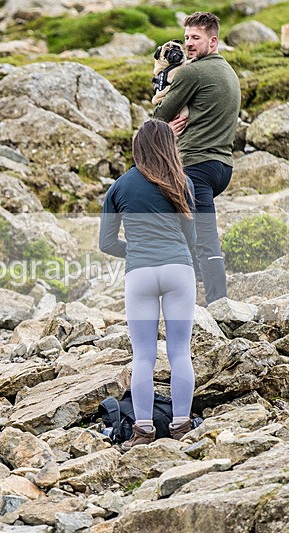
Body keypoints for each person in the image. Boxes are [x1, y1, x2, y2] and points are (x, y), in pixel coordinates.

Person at [99, 120, 197, 451]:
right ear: (170, 146)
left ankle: (142, 431)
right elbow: (191, 238)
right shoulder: (182, 182)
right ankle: (182, 425)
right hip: (178, 270)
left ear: (137, 148)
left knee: (143, 355)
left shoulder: (120, 186)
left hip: (139, 274)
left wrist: (138, 251)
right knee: (180, 350)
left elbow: (106, 242)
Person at [153, 11, 240, 305]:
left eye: (196, 38)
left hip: (196, 165)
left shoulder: (192, 73)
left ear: (213, 40)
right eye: (187, 37)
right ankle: (196, 286)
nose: (189, 44)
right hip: (222, 166)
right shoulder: (228, 71)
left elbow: (159, 117)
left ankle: (218, 303)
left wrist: (166, 124)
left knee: (203, 237)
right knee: (185, 226)